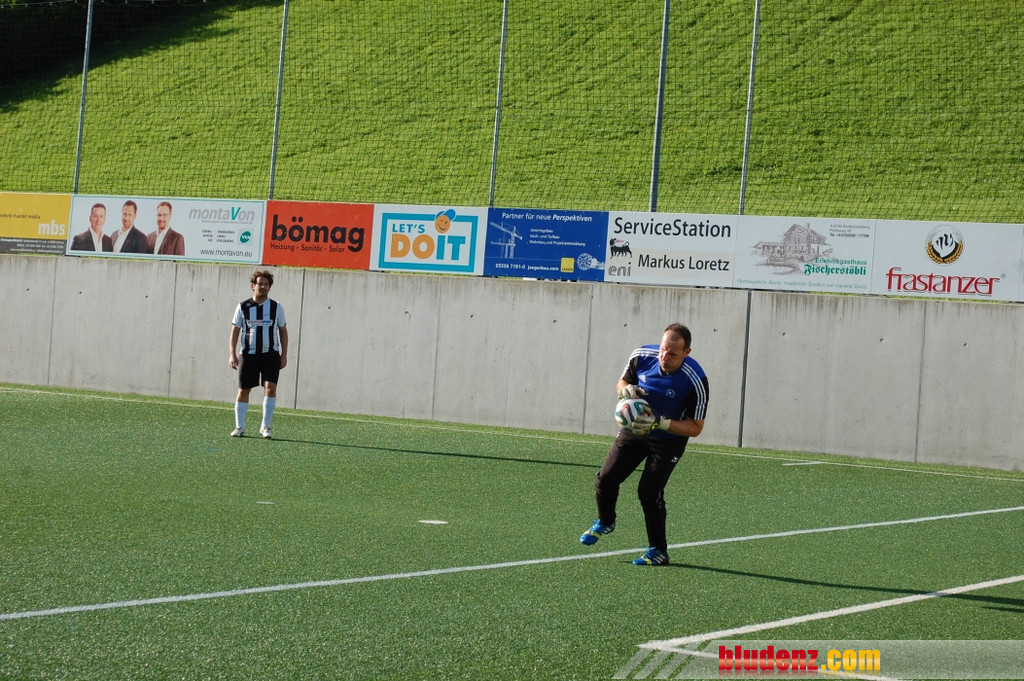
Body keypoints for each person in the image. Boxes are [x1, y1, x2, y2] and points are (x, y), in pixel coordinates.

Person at [579, 323, 709, 566]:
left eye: (672, 354)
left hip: (668, 440)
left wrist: (661, 422)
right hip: (635, 430)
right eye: (662, 350)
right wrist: (626, 390)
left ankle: (658, 551)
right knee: (606, 478)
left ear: (686, 353)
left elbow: (696, 427)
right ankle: (606, 521)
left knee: (649, 492)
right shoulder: (641, 356)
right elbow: (622, 382)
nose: (664, 357)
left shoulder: (695, 380)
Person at [228, 270, 288, 439]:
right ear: (253, 286)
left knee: (271, 388)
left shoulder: (276, 307)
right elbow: (235, 331)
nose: (263, 287)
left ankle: (265, 427)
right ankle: (239, 426)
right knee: (243, 390)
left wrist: (284, 355)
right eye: (260, 284)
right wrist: (232, 354)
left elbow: (283, 331)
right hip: (248, 355)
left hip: (270, 355)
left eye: (266, 284)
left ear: (269, 287)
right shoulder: (243, 307)